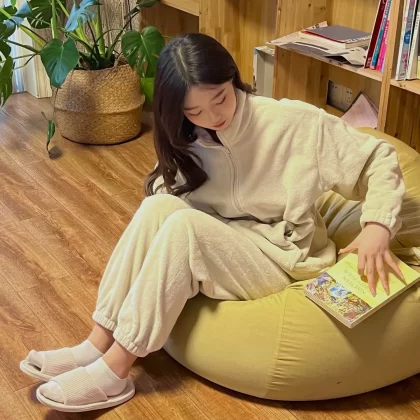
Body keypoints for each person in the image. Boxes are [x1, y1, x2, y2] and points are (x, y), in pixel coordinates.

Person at [20, 33, 405, 412]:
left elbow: (379, 159)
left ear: (232, 77)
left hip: (284, 258)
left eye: (220, 98)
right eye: (194, 111)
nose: (213, 117)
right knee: (158, 207)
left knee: (183, 229)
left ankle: (116, 370)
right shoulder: (189, 137)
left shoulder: (294, 123)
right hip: (225, 243)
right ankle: (96, 343)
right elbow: (168, 193)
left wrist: (377, 226)